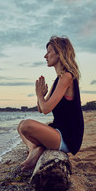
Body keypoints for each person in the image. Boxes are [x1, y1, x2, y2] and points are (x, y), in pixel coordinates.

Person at [17, 36, 84, 171]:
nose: (45, 56)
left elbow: (46, 108)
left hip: (68, 137)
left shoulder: (67, 76)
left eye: (48, 52)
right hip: (58, 131)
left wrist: (40, 96)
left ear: (59, 53)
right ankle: (35, 149)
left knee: (26, 125)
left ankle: (36, 150)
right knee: (20, 127)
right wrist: (40, 95)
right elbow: (41, 109)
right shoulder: (58, 80)